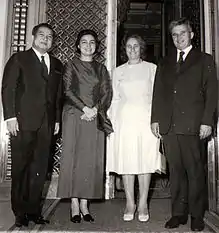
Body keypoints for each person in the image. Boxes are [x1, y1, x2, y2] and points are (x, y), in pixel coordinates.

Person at [151, 18, 218, 232]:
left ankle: (197, 215)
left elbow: (212, 93)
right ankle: (178, 214)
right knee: (176, 172)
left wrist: (207, 121)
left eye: (183, 33)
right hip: (169, 126)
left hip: (193, 125)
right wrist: (155, 118)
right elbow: (158, 92)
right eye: (174, 35)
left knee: (195, 171)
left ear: (191, 34)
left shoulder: (204, 59)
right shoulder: (165, 61)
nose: (178, 38)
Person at [1, 23, 63, 227]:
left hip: (46, 124)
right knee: (21, 168)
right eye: (42, 35)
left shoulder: (56, 63)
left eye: (50, 36)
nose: (46, 39)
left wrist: (56, 120)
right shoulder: (19, 59)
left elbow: (57, 96)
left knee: (40, 168)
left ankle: (34, 211)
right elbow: (8, 88)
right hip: (22, 123)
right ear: (34, 37)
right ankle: (19, 213)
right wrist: (10, 117)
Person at [57, 29, 112, 223]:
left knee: (90, 160)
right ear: (78, 45)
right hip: (74, 115)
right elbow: (67, 90)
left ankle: (85, 204)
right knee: (74, 158)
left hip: (94, 117)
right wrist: (84, 109)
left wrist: (95, 109)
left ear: (96, 46)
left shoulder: (101, 69)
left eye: (92, 42)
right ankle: (74, 203)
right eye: (84, 42)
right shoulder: (71, 65)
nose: (88, 45)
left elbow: (106, 93)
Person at [107, 35, 163, 222]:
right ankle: (130, 203)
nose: (132, 50)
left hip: (146, 121)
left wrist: (157, 120)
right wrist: (111, 123)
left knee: (145, 161)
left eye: (136, 46)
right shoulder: (118, 71)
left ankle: (143, 203)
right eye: (129, 47)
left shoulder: (152, 69)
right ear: (125, 49)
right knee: (127, 162)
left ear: (141, 49)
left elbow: (157, 98)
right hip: (123, 122)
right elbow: (114, 99)